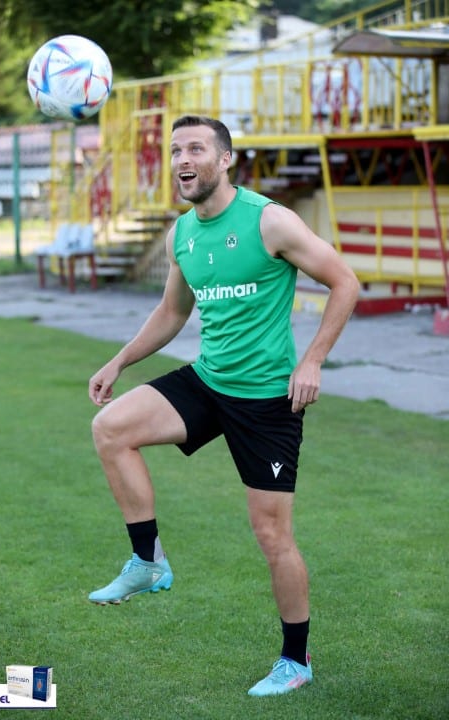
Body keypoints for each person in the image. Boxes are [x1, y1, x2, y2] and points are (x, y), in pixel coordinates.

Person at [87, 115, 360, 697]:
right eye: (175, 150)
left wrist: (312, 361)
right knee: (111, 427)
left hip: (266, 401)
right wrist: (119, 361)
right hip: (209, 382)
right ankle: (148, 562)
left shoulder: (270, 221)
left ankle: (295, 660)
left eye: (195, 149)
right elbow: (172, 312)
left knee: (272, 535)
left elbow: (345, 282)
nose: (183, 160)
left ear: (225, 158)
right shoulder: (182, 234)